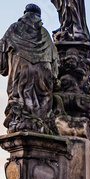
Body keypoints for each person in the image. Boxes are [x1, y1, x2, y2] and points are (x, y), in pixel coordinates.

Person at [0, 5, 58, 133]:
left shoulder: (14, 28)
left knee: (20, 100)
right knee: (43, 106)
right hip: (43, 74)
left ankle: (21, 121)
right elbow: (55, 61)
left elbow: (2, 53)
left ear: (25, 13)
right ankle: (41, 125)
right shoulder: (44, 33)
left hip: (21, 70)